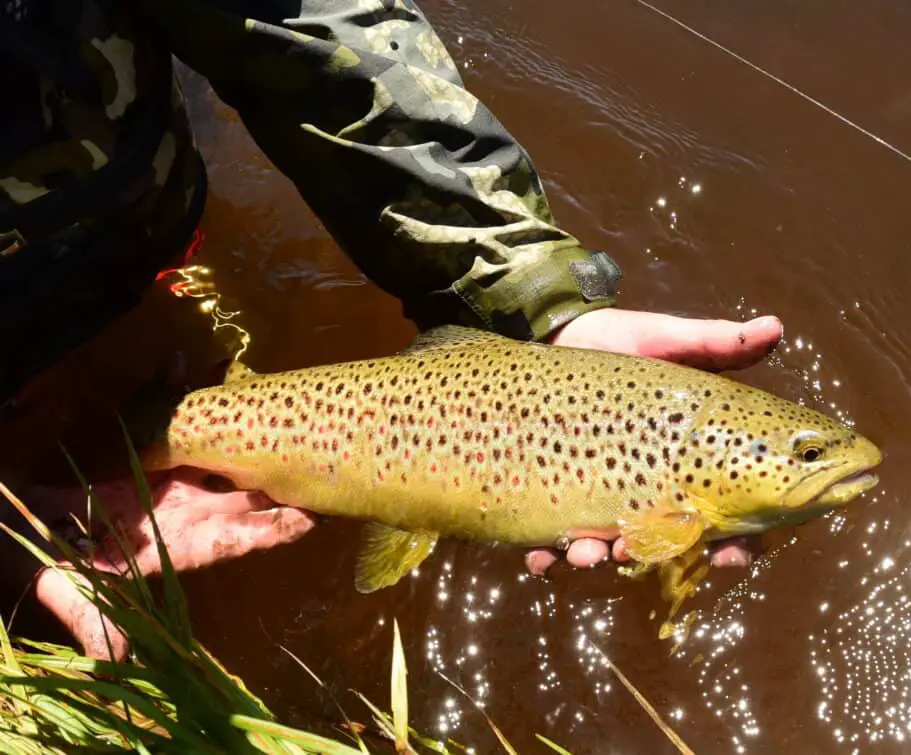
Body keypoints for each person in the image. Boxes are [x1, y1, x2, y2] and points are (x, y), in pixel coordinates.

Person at [0, 0, 782, 660]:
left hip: (120, 228)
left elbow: (306, 25)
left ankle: (162, 386)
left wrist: (529, 295)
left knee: (160, 330)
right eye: (800, 454)